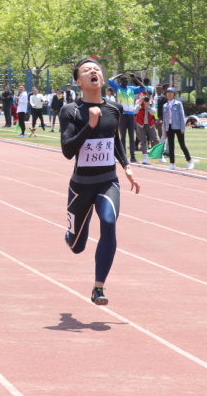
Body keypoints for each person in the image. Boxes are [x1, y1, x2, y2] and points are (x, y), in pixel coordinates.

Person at [60, 57, 139, 305]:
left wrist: (126, 165)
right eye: (86, 70)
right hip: (80, 186)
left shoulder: (114, 108)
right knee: (77, 246)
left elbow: (114, 140)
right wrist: (89, 125)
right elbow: (67, 150)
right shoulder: (70, 110)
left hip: (107, 181)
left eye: (96, 69)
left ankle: (98, 288)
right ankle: (71, 234)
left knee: (108, 221)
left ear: (102, 78)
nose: (93, 71)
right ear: (79, 82)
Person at [108, 73, 145, 163]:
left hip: (131, 114)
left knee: (132, 136)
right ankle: (123, 155)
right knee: (123, 136)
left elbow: (143, 88)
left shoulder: (131, 89)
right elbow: (110, 80)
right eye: (124, 81)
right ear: (121, 81)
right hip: (123, 114)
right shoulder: (117, 88)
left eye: (127, 81)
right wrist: (118, 75)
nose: (125, 83)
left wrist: (135, 78)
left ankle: (132, 156)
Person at [162, 87, 194, 170]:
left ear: (174, 94)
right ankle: (172, 164)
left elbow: (181, 116)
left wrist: (183, 128)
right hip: (169, 127)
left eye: (171, 93)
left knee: (182, 145)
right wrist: (165, 131)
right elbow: (164, 120)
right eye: (168, 93)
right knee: (171, 146)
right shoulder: (165, 105)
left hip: (178, 126)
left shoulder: (178, 104)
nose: (169, 94)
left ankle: (189, 162)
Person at [134, 88, 158, 164]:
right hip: (140, 123)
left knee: (155, 139)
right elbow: (135, 111)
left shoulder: (152, 102)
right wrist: (140, 104)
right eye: (145, 95)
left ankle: (159, 155)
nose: (146, 97)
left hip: (150, 123)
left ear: (150, 96)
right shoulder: (138, 101)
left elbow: (153, 112)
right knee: (142, 140)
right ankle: (145, 157)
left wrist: (148, 106)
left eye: (148, 96)